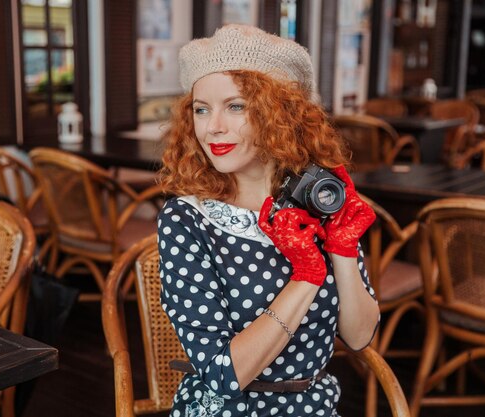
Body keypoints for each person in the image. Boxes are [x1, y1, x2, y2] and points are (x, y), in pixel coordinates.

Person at [157, 24, 379, 417]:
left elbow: (359, 337)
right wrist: (306, 275)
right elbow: (224, 376)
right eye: (202, 109)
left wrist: (341, 249)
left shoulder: (319, 203)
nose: (213, 127)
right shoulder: (187, 219)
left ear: (280, 113)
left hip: (316, 406)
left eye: (236, 106)